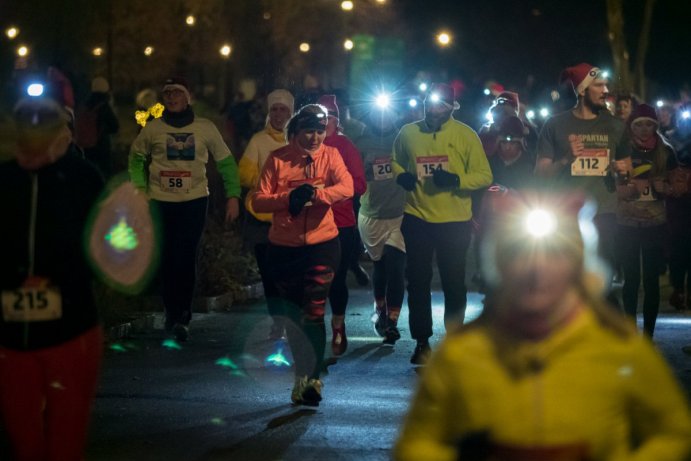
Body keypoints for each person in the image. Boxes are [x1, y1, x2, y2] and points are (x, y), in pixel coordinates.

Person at [393, 190, 691, 461]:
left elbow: (674, 432)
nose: (536, 268)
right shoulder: (461, 353)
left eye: (554, 254)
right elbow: (417, 445)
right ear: (499, 264)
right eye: (517, 253)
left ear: (577, 265)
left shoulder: (619, 347)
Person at [0, 84, 105, 460]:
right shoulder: (5, 181)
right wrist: (13, 279)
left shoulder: (83, 180)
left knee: (66, 436)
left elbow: (102, 248)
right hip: (10, 336)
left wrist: (58, 277)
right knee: (22, 437)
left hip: (71, 329)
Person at [251, 104, 353, 406]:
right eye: (308, 130)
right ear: (295, 132)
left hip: (323, 244)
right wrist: (288, 199)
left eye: (320, 131)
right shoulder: (278, 159)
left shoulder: (331, 156)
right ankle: (301, 377)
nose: (315, 137)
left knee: (315, 310)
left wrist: (318, 195)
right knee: (295, 316)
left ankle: (313, 380)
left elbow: (346, 186)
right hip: (284, 249)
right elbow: (258, 201)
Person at [128, 76, 241, 341]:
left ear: (188, 96)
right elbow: (135, 158)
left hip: (194, 201)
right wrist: (141, 189)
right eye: (166, 93)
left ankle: (183, 316)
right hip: (160, 201)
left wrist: (233, 196)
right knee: (167, 257)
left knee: (186, 255)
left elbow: (225, 163)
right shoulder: (153, 129)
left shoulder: (205, 128)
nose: (171, 97)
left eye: (176, 92)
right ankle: (171, 310)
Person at [393, 82, 493, 365]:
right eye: (429, 103)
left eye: (440, 104)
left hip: (455, 221)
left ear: (451, 107)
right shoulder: (408, 133)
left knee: (453, 281)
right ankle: (421, 341)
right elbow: (396, 161)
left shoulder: (465, 135)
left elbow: (484, 175)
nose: (433, 109)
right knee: (418, 281)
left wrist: (457, 180)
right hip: (417, 217)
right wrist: (402, 176)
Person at [535, 63, 630, 305]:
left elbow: (627, 168)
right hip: (565, 216)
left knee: (602, 284)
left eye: (605, 85)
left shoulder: (616, 126)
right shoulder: (554, 125)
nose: (605, 90)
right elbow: (540, 173)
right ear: (582, 90)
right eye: (599, 85)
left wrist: (622, 170)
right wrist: (567, 159)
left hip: (605, 214)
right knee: (566, 283)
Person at [612, 104, 679, 336]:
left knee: (651, 282)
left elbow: (677, 187)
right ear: (631, 127)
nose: (644, 129)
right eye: (638, 124)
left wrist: (665, 188)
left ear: (655, 126)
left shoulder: (666, 151)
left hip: (655, 224)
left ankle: (648, 336)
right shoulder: (622, 150)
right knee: (631, 280)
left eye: (649, 124)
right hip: (627, 224)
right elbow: (613, 186)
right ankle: (631, 334)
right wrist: (630, 189)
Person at [238, 89, 294, 340]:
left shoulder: (299, 140)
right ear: (269, 112)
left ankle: (292, 318)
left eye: (284, 109)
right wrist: (265, 177)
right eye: (275, 109)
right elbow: (244, 175)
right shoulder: (258, 141)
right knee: (269, 275)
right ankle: (278, 321)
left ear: (291, 112)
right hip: (262, 218)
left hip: (291, 218)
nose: (279, 114)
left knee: (289, 274)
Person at [317, 94, 367, 356]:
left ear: (337, 121)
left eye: (329, 118)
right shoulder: (304, 144)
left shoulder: (345, 147)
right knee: (311, 281)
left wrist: (332, 190)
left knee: (335, 280)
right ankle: (312, 335)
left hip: (340, 223)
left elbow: (360, 184)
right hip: (309, 223)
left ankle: (338, 324)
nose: (324, 123)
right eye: (320, 118)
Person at [356, 98, 407, 346]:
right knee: (381, 266)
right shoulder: (362, 142)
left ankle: (393, 322)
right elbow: (351, 176)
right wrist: (362, 175)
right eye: (379, 113)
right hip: (371, 213)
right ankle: (380, 310)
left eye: (389, 113)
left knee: (396, 266)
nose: (384, 118)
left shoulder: (404, 140)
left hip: (399, 213)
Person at [75, 76, 120, 178]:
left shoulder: (85, 103)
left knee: (90, 172)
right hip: (101, 145)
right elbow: (115, 126)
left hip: (86, 145)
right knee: (104, 173)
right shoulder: (104, 105)